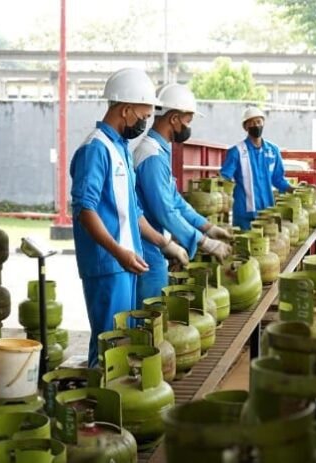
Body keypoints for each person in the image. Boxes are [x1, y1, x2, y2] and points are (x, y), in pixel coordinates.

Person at [70, 68, 189, 368]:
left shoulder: (120, 148)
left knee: (124, 346)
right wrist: (117, 251)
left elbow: (134, 213)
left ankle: (115, 395)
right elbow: (85, 210)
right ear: (125, 110)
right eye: (144, 116)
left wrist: (165, 244)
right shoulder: (95, 149)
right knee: (109, 347)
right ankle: (99, 396)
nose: (146, 123)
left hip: (125, 262)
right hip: (107, 264)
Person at [133, 83, 233, 304]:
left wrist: (206, 227)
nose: (188, 127)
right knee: (151, 308)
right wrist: (205, 242)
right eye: (188, 121)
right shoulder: (151, 156)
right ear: (174, 119)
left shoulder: (160, 150)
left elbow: (175, 201)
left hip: (152, 240)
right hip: (144, 244)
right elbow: (165, 211)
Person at [220, 106, 295, 230]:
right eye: (252, 123)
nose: (256, 125)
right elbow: (224, 179)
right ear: (245, 127)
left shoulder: (273, 150)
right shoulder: (236, 151)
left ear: (263, 123)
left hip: (268, 212)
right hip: (244, 213)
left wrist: (291, 189)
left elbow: (278, 179)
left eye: (259, 122)